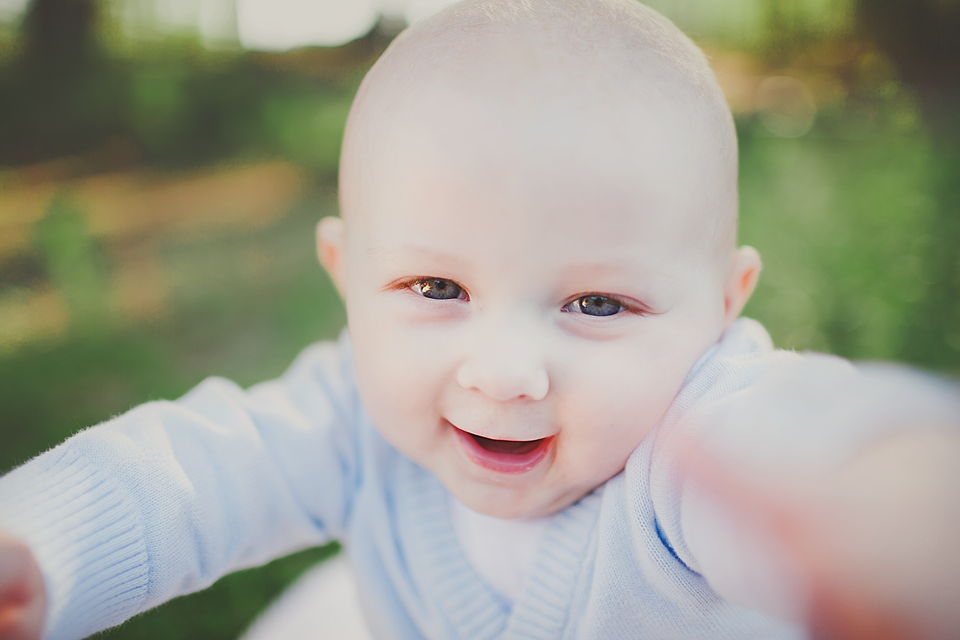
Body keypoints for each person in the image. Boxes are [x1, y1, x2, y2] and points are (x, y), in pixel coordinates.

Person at [1, 1, 959, 639]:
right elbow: (187, 476)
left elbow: (800, 433)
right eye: (437, 290)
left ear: (721, 309)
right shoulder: (349, 419)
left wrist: (882, 502)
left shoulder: (687, 442)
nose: (504, 373)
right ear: (346, 275)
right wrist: (41, 548)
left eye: (596, 304)